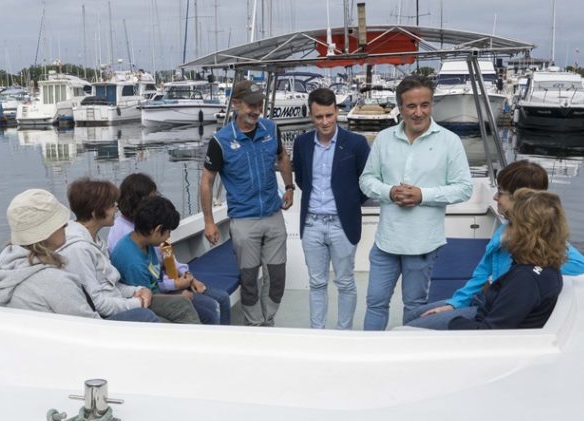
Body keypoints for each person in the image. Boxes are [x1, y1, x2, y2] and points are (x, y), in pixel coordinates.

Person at [406, 160, 584, 329]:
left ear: (521, 199)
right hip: (483, 298)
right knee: (412, 316)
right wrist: (455, 303)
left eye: (500, 192)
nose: (494, 197)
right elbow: (482, 273)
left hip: (490, 307)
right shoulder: (504, 231)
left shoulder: (533, 257)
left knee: (413, 328)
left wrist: (529, 264)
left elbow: (579, 264)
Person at [358, 75, 473, 331]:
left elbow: (464, 188)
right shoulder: (384, 139)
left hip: (423, 244)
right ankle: (368, 356)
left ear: (432, 105)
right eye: (411, 106)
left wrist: (423, 195)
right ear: (400, 107)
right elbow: (366, 180)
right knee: (375, 302)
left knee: (414, 306)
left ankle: (407, 360)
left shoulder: (449, 142)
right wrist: (390, 192)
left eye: (425, 105)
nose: (418, 112)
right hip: (386, 242)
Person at [199, 79, 294, 327]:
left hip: (273, 215)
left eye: (259, 104)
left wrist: (290, 187)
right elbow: (207, 181)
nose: (255, 110)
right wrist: (209, 221)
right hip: (243, 220)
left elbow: (283, 156)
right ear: (236, 104)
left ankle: (268, 320)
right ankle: (254, 325)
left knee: (277, 277)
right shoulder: (220, 141)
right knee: (249, 279)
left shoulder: (271, 129)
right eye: (250, 105)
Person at [291, 87, 371, 330]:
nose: (324, 122)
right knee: (316, 283)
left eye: (329, 115)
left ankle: (344, 333)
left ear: (337, 111)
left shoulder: (356, 143)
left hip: (342, 223)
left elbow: (365, 183)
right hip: (312, 224)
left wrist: (347, 202)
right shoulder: (302, 143)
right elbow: (301, 180)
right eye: (318, 117)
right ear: (311, 115)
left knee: (345, 282)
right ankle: (318, 333)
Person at [110, 173, 231, 325]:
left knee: (221, 299)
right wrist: (176, 288)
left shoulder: (148, 237)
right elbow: (146, 294)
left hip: (165, 284)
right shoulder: (131, 247)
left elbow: (166, 256)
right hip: (154, 295)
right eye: (151, 198)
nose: (168, 238)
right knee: (207, 310)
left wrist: (188, 277)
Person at [449, 189, 569, 330]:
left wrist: (455, 321)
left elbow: (489, 333)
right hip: (484, 315)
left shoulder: (525, 280)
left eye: (511, 223)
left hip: (478, 334)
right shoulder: (546, 267)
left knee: (417, 325)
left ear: (524, 232)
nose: (505, 229)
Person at [58, 177, 161, 323]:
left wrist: (137, 291)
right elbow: (96, 303)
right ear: (95, 213)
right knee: (151, 318)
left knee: (179, 305)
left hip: (118, 301)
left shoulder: (96, 241)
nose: (117, 208)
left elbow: (110, 285)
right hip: (103, 319)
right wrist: (137, 303)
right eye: (112, 205)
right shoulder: (78, 250)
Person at [0, 188, 100, 318]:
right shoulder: (56, 282)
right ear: (47, 233)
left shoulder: (5, 268)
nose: (65, 225)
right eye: (61, 223)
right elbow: (92, 327)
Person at [109, 195, 201, 324]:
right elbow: (146, 299)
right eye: (168, 231)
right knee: (184, 306)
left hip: (156, 294)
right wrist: (177, 296)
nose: (169, 236)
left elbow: (155, 283)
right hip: (143, 304)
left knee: (207, 307)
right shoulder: (133, 263)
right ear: (157, 230)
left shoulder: (146, 243)